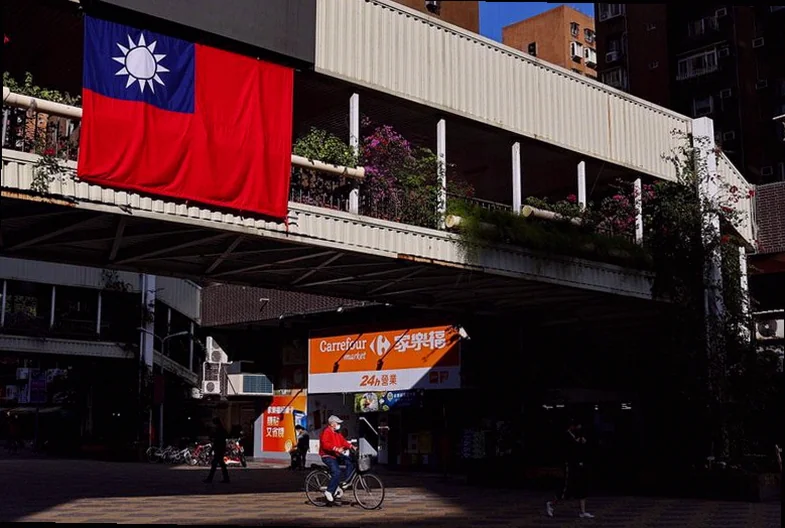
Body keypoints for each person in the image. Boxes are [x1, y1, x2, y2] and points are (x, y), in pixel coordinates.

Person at [546, 418, 594, 519]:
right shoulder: (565, 436)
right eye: (576, 426)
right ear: (571, 426)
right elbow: (567, 450)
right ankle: (551, 504)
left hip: (578, 464)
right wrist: (576, 443)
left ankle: (583, 511)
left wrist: (582, 442)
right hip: (569, 465)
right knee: (566, 487)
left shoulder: (576, 435)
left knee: (582, 486)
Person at [319, 415, 356, 505]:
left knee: (350, 462)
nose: (339, 425)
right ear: (332, 424)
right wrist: (336, 448)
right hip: (327, 456)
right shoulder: (327, 432)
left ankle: (345, 483)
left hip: (336, 455)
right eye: (338, 423)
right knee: (337, 472)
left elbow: (343, 441)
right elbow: (325, 444)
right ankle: (329, 491)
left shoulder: (337, 433)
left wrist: (351, 446)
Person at [204, 417, 230, 484]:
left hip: (218, 449)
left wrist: (211, 450)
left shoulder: (218, 430)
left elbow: (216, 441)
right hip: (220, 449)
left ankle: (210, 478)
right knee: (220, 464)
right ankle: (225, 478)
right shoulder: (222, 430)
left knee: (215, 464)